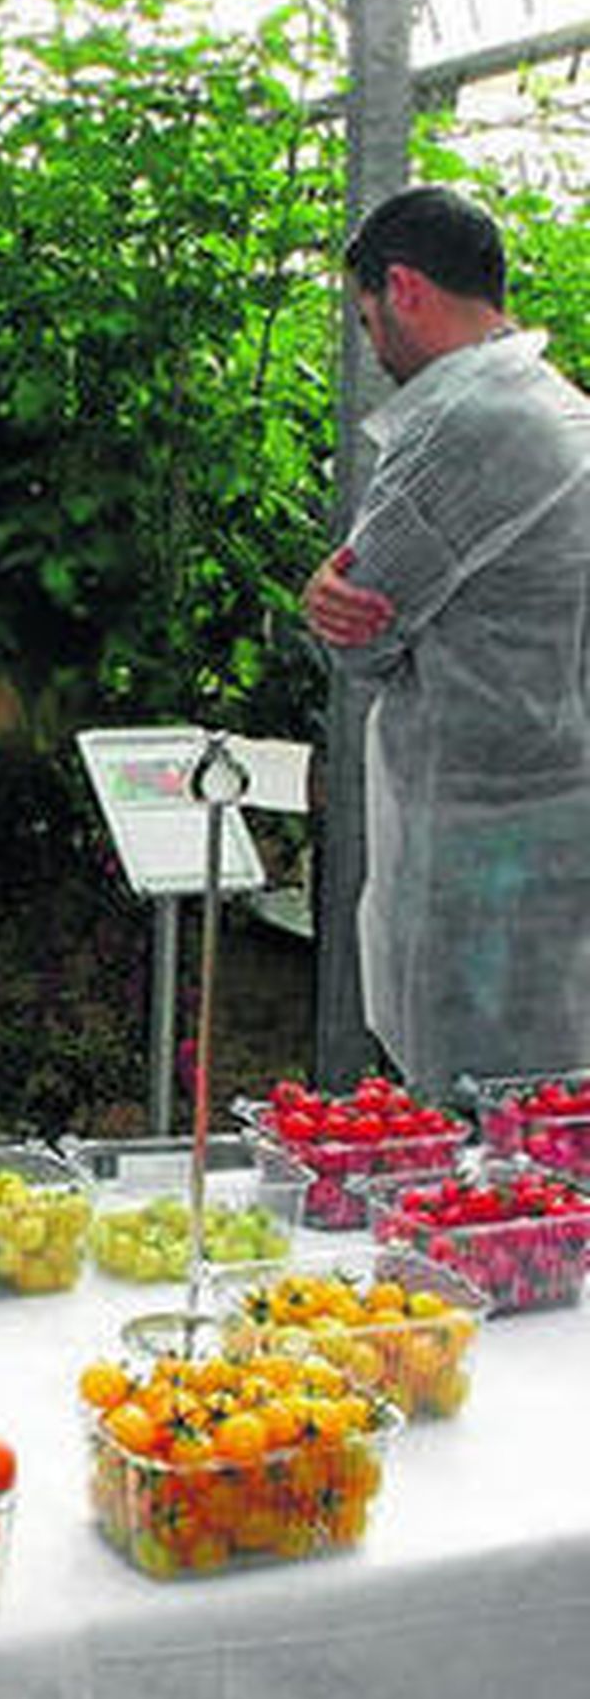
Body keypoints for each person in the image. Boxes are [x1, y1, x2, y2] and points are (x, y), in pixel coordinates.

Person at [303, 185, 590, 1098]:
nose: (372, 343)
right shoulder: (559, 405)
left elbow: (362, 632)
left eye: (366, 317)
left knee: (476, 1148)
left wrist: (327, 604)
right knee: (553, 1126)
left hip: (481, 845)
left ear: (404, 287)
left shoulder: (465, 422)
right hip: (555, 828)